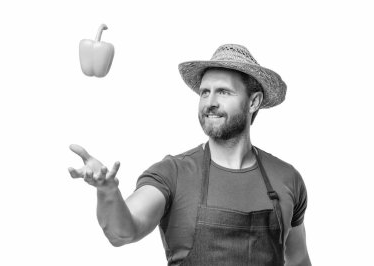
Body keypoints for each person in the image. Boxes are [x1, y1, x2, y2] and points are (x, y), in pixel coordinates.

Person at [68, 44, 311, 266]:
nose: (210, 102)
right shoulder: (173, 173)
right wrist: (108, 192)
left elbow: (298, 260)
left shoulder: (287, 179)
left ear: (253, 102)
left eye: (224, 92)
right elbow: (123, 232)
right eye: (205, 92)